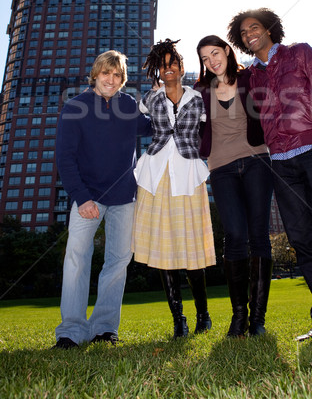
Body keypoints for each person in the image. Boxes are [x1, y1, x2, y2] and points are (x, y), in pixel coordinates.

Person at [227, 8, 312, 341]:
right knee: (302, 240)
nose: (249, 35)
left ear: (270, 28)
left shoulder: (300, 53)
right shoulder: (255, 76)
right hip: (281, 164)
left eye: (254, 27)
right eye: (243, 33)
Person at [53, 50, 152, 349]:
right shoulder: (75, 106)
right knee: (76, 260)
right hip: (88, 197)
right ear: (95, 74)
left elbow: (149, 128)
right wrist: (81, 198)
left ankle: (104, 328)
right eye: (106, 73)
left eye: (117, 75)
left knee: (118, 261)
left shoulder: (128, 105)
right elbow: (65, 158)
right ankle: (71, 330)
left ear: (122, 80)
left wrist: (161, 99)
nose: (111, 79)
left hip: (124, 197)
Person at [132, 39, 216, 338]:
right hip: (156, 176)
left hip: (189, 175)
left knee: (192, 246)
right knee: (164, 249)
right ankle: (178, 319)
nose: (168, 69)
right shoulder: (149, 99)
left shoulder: (198, 98)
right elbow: (133, 116)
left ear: (182, 68)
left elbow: (208, 133)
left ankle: (203, 315)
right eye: (163, 65)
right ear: (159, 70)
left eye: (173, 64)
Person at [195, 35, 274, 337]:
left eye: (215, 53)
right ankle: (238, 316)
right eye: (204, 58)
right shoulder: (200, 90)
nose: (212, 60)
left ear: (227, 51)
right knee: (235, 235)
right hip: (221, 167)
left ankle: (258, 319)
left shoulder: (249, 77)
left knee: (258, 235)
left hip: (256, 160)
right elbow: (180, 109)